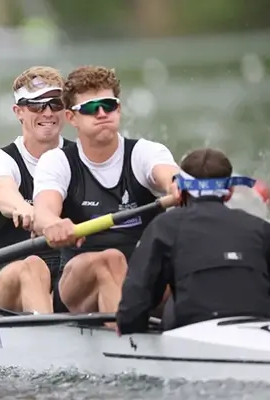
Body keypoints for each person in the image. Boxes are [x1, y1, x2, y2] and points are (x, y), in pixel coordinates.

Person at [31, 65, 179, 314]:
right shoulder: (58, 161)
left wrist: (179, 186)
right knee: (111, 260)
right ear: (71, 118)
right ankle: (126, 338)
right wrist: (52, 224)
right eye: (89, 108)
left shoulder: (145, 152)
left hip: (143, 279)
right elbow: (43, 211)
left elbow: (170, 175)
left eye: (108, 105)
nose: (101, 113)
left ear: (118, 109)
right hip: (80, 286)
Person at [117, 148, 270, 334]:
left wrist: (128, 327)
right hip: (259, 328)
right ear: (229, 191)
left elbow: (138, 294)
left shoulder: (165, 226)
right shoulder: (260, 227)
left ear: (180, 190)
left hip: (193, 328)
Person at [0, 66, 74, 313]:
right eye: (36, 105)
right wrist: (24, 209)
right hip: (13, 276)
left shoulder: (81, 157)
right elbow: (0, 191)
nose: (48, 112)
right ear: (18, 111)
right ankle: (48, 341)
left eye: (55, 103)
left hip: (70, 272)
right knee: (33, 265)